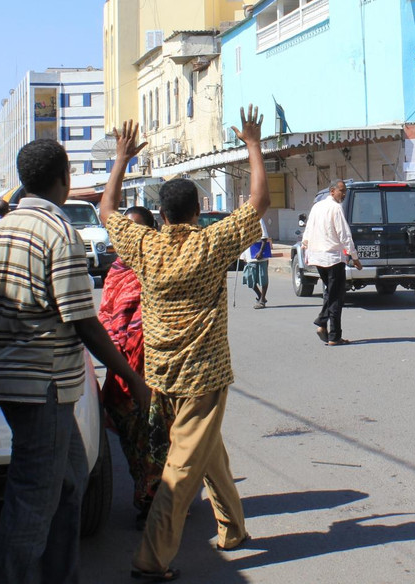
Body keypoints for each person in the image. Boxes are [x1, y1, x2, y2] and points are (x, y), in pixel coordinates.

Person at [0, 138, 150, 584]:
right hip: (44, 385)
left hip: (12, 382)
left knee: (70, 484)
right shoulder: (59, 233)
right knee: (32, 503)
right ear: (64, 179)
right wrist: (131, 380)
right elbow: (83, 321)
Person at [99, 108, 268, 582]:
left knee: (208, 454)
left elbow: (107, 211)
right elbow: (258, 201)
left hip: (162, 376)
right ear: (195, 211)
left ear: (164, 214)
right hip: (203, 378)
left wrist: (121, 159)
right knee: (180, 472)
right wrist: (253, 143)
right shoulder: (210, 244)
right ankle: (151, 560)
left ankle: (233, 529)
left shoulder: (145, 246)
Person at [97, 205, 166, 527]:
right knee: (129, 434)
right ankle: (148, 492)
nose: (128, 236)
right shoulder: (117, 272)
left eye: (137, 229)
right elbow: (106, 317)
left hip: (154, 368)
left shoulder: (160, 267)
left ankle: (152, 501)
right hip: (121, 367)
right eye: (124, 230)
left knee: (154, 436)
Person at [303, 179, 364, 345]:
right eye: (341, 191)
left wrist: (305, 246)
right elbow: (344, 235)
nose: (343, 195)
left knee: (330, 293)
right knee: (336, 296)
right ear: (332, 191)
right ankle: (331, 333)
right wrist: (355, 257)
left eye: (344, 192)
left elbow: (308, 231)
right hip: (332, 258)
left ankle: (326, 328)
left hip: (318, 257)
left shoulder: (317, 207)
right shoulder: (336, 208)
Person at [241, 220, 272, 308]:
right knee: (248, 278)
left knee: (263, 278)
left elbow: (264, 237)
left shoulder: (259, 220)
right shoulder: (242, 222)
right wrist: (243, 256)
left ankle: (262, 300)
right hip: (248, 255)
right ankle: (260, 295)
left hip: (259, 255)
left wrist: (261, 251)